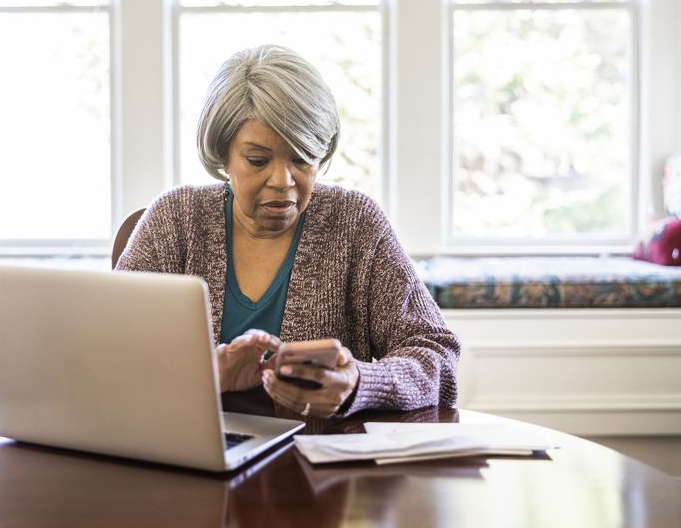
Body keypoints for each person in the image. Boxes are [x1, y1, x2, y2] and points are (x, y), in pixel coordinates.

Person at [116, 44, 459, 418]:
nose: (282, 181)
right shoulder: (175, 219)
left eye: (301, 158)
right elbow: (108, 351)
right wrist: (201, 378)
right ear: (223, 154)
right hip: (188, 460)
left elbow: (436, 355)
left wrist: (360, 382)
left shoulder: (355, 223)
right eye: (258, 160)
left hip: (320, 465)